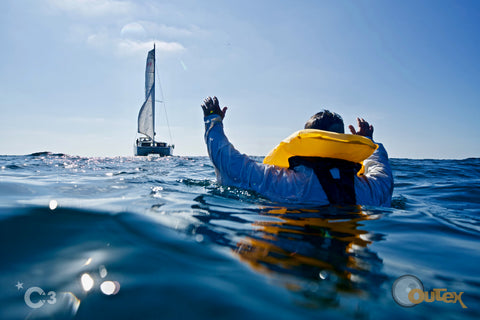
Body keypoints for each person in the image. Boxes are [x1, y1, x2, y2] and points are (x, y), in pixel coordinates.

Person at [201, 96, 394, 206]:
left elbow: (228, 162)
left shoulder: (282, 182)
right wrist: (368, 142)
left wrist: (213, 121)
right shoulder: (368, 190)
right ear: (343, 141)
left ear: (307, 141)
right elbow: (382, 173)